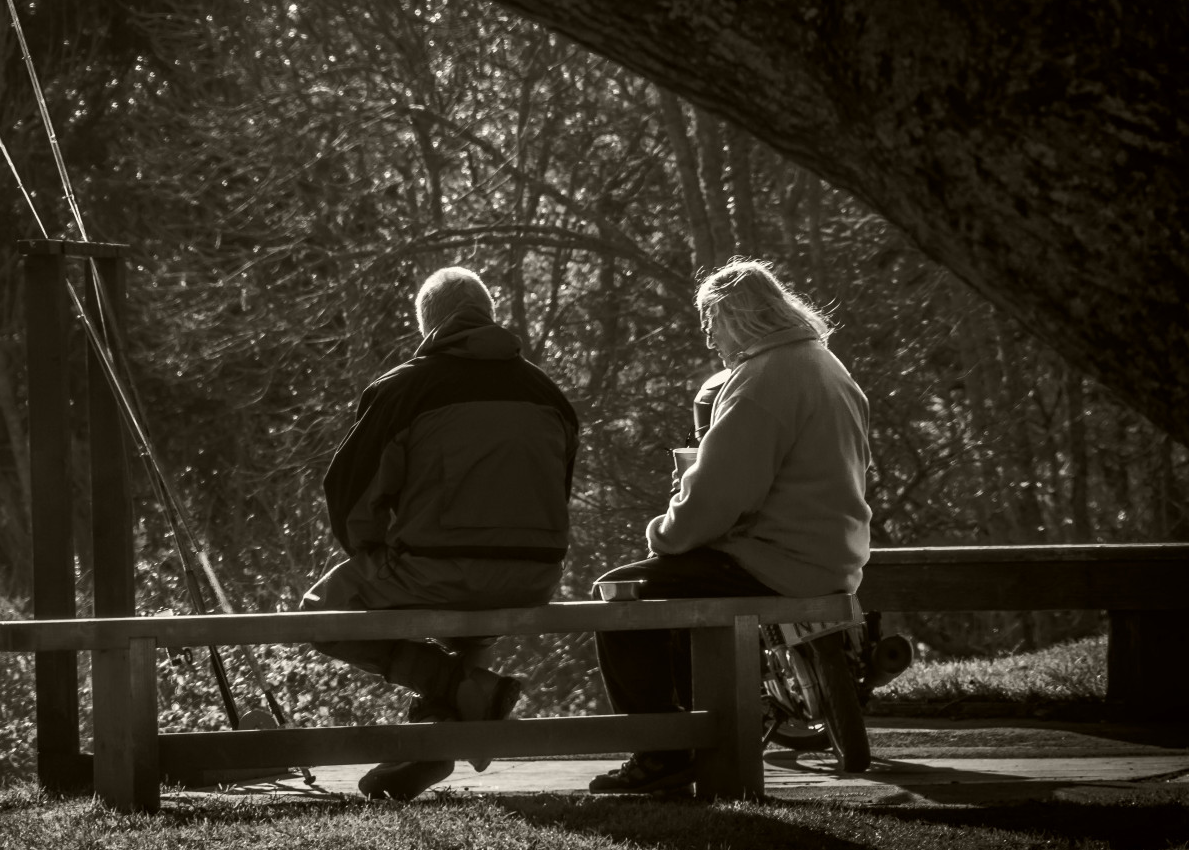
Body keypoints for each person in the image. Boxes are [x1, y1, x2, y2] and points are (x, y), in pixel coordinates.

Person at [589, 257, 871, 794]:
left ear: (734, 317)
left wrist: (662, 537)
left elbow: (716, 500)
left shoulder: (763, 380)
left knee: (621, 597)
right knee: (671, 592)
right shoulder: (826, 365)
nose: (709, 337)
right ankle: (690, 740)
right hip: (830, 555)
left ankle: (663, 755)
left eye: (711, 322)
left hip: (775, 560)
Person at [303, 266, 579, 799]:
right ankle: (428, 742)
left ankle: (457, 688)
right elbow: (557, 490)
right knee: (469, 630)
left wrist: (373, 555)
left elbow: (350, 492)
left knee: (319, 613)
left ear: (427, 326)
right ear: (491, 318)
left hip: (437, 571)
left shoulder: (405, 389)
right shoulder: (551, 396)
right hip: (535, 575)